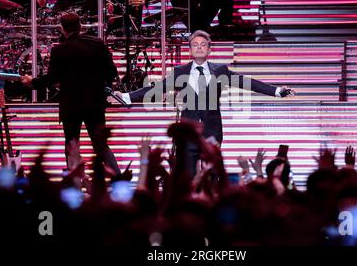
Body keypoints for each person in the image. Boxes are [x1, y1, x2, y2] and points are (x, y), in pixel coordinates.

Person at [116, 30, 296, 176]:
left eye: (203, 45)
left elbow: (246, 82)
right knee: (188, 173)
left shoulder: (220, 70)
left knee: (211, 172)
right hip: (188, 131)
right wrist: (126, 97)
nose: (199, 47)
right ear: (190, 50)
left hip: (212, 130)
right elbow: (157, 88)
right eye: (195, 45)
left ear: (209, 50)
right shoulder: (180, 71)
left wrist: (276, 91)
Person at [20, 12, 120, 175]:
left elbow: (52, 78)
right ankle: (118, 176)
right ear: (80, 26)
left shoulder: (60, 50)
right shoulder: (97, 44)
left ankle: (74, 182)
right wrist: (102, 87)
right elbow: (112, 71)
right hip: (95, 103)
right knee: (100, 144)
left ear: (62, 29)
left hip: (71, 105)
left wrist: (33, 82)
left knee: (72, 144)